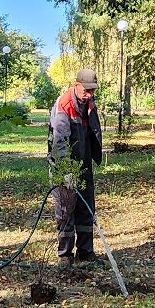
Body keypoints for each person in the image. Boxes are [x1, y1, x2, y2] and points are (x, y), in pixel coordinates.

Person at [48, 68, 105, 265]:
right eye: (86, 90)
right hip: (64, 166)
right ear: (76, 85)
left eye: (92, 91)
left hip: (84, 162)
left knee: (86, 207)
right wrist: (65, 171)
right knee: (66, 209)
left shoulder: (89, 103)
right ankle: (65, 255)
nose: (89, 94)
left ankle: (85, 252)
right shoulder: (65, 105)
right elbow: (60, 141)